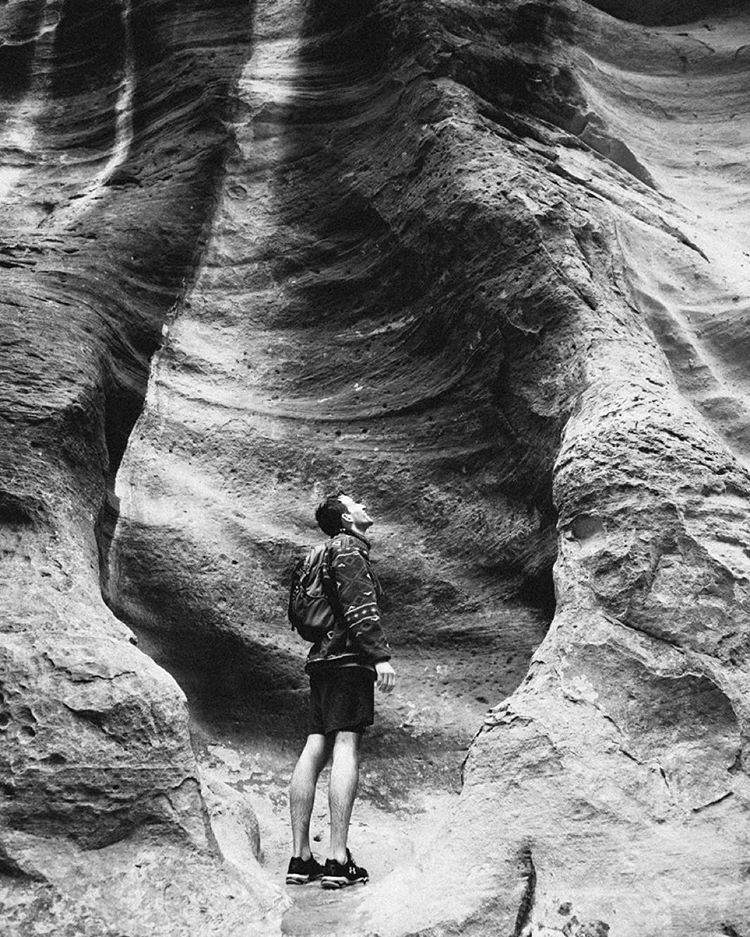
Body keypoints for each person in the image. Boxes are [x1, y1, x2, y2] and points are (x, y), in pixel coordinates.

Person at [286, 492, 396, 889]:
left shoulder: (316, 554)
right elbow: (359, 605)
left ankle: (300, 859)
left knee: (315, 744)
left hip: (321, 660)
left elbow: (302, 615)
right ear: (348, 518)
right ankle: (336, 859)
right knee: (346, 744)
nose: (367, 504)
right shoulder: (349, 549)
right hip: (349, 660)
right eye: (357, 503)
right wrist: (379, 656)